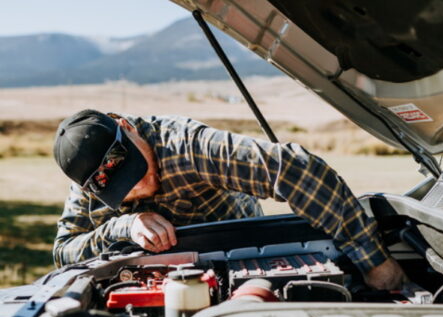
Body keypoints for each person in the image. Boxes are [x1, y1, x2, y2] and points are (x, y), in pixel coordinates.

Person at [52, 109, 405, 290]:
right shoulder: (89, 180)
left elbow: (297, 170)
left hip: (242, 257)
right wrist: (123, 225)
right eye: (123, 191)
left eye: (138, 170)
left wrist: (373, 261)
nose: (140, 189)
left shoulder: (188, 147)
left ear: (126, 127)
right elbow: (64, 250)